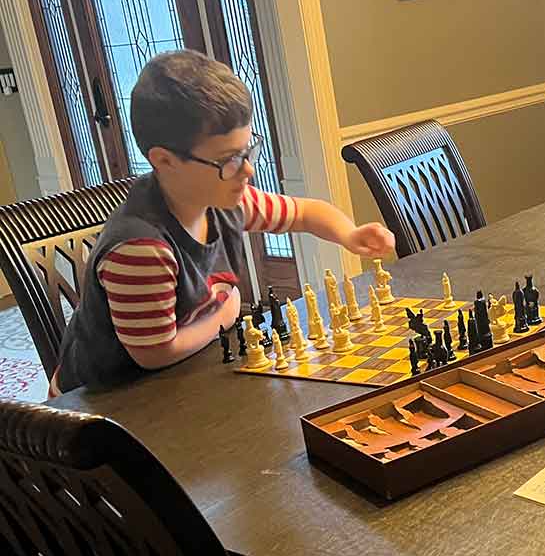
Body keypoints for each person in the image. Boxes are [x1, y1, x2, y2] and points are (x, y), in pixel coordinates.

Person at [51, 50, 394, 394]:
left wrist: (349, 234)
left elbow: (305, 213)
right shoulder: (141, 248)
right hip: (97, 406)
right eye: (228, 159)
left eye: (248, 151)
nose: (248, 170)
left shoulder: (225, 201)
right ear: (165, 161)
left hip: (175, 379)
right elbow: (154, 353)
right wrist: (225, 315)